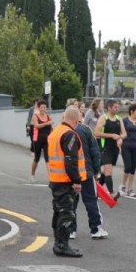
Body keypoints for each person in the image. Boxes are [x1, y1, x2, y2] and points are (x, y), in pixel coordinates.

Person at [47, 107, 87, 257]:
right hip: (65, 180)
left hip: (56, 179)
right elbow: (70, 161)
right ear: (76, 120)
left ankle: (58, 242)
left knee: (58, 211)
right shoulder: (70, 135)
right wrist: (77, 181)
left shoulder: (56, 132)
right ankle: (62, 245)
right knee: (67, 213)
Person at [72, 112, 109, 240]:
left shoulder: (63, 130)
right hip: (86, 172)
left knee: (71, 202)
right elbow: (95, 150)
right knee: (91, 200)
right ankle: (96, 229)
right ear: (80, 118)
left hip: (70, 173)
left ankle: (70, 230)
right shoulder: (86, 130)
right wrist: (97, 170)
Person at [95, 100, 126, 197]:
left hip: (115, 149)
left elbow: (124, 133)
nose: (118, 109)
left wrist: (120, 138)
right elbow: (96, 133)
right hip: (105, 148)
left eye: (118, 107)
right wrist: (112, 135)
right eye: (115, 107)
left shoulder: (119, 119)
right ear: (109, 108)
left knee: (105, 171)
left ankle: (97, 190)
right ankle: (112, 193)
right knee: (108, 170)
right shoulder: (103, 118)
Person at [120, 103, 136, 197]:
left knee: (133, 169)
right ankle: (122, 185)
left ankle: (130, 188)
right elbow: (121, 133)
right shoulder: (124, 121)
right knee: (128, 167)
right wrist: (119, 143)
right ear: (132, 111)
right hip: (126, 146)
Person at [30, 100, 54, 182]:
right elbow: (36, 126)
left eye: (44, 107)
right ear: (38, 108)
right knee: (36, 159)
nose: (43, 109)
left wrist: (53, 134)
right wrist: (47, 123)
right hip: (37, 140)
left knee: (48, 159)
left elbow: (51, 129)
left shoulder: (48, 117)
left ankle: (51, 179)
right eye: (41, 107)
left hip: (47, 141)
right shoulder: (35, 116)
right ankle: (32, 175)